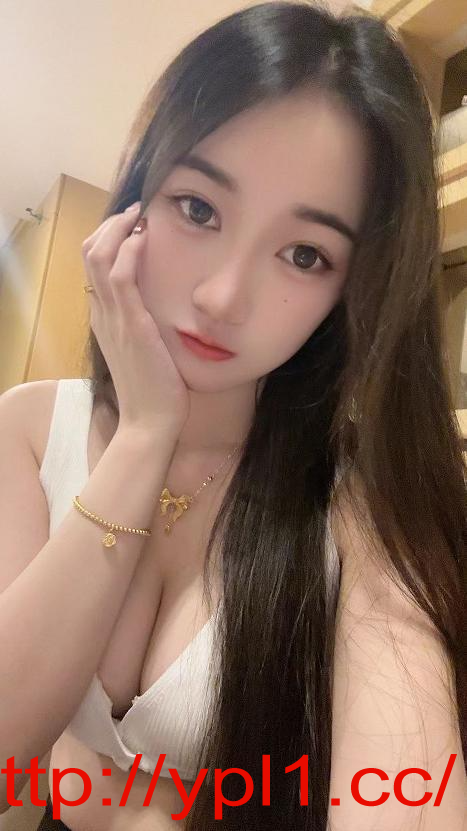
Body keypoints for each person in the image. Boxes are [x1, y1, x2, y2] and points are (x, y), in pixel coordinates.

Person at [0, 2, 465, 829]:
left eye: (304, 254)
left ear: (348, 291)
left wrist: (111, 803)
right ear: (135, 201)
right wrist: (144, 437)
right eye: (198, 208)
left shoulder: (357, 506)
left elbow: (406, 794)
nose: (222, 296)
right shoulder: (28, 430)